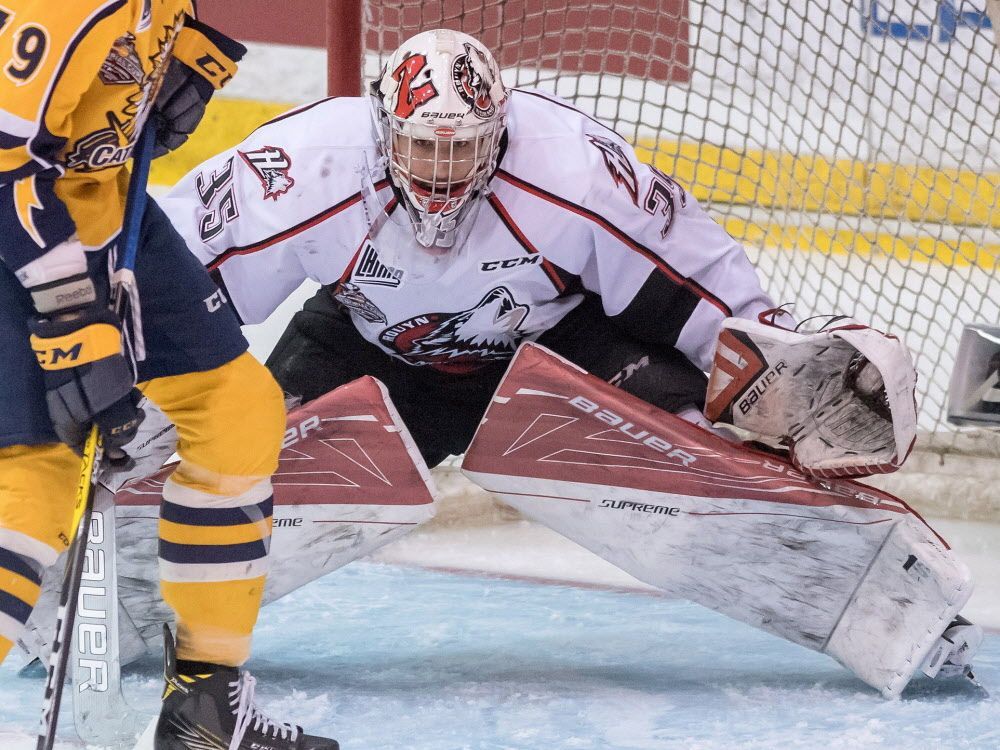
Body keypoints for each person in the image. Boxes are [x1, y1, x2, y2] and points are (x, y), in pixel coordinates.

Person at [159, 27, 981, 694]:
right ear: (383, 132)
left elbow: (688, 273)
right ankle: (142, 601)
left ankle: (888, 603)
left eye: (463, 150)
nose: (442, 175)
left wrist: (768, 355)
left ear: (501, 132)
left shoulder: (574, 167)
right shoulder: (306, 168)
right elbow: (178, 275)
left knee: (700, 452)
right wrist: (132, 385)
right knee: (237, 462)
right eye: (422, 149)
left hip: (555, 351)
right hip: (368, 353)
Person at [0, 3, 337, 748]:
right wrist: (69, 315)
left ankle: (204, 708)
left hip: (106, 207)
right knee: (32, 483)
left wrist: (168, 52)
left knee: (235, 410)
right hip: (18, 235)